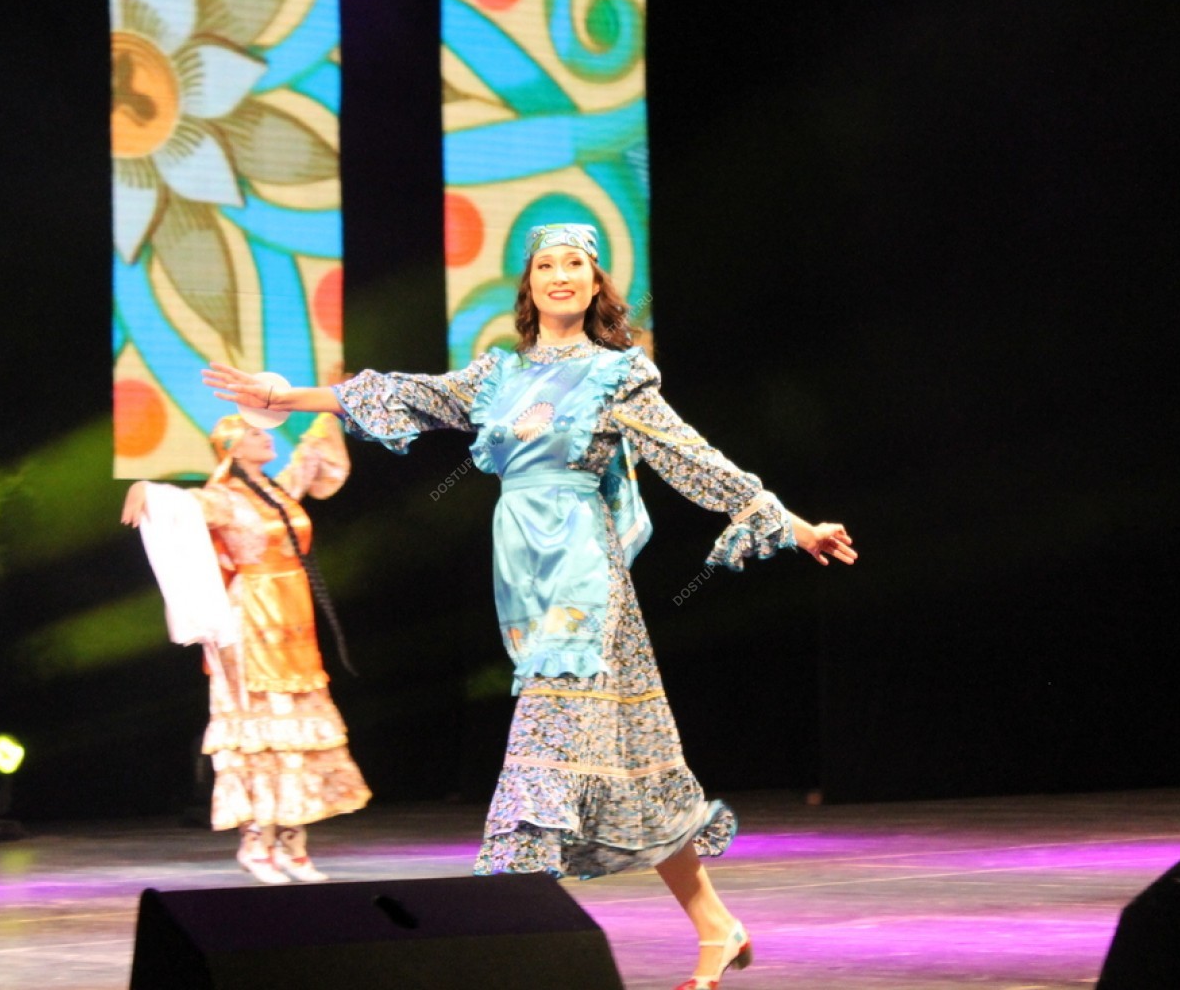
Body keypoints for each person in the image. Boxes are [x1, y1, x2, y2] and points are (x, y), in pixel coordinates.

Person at [204, 223, 855, 987]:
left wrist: (793, 525)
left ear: (595, 282)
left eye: (575, 263)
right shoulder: (500, 375)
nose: (560, 274)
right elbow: (410, 395)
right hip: (523, 574)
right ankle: (717, 927)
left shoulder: (618, 375)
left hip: (584, 574)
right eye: (546, 264)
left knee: (541, 745)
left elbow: (693, 457)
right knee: (633, 760)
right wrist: (285, 396)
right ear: (530, 286)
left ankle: (496, 949)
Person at [121, 413, 371, 884]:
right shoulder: (224, 498)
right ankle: (256, 843)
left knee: (296, 733)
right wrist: (144, 489)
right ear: (233, 447)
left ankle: (293, 844)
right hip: (250, 619)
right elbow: (181, 506)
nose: (266, 437)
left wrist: (332, 405)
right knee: (259, 731)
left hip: (293, 618)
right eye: (255, 433)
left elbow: (313, 453)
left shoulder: (278, 491)